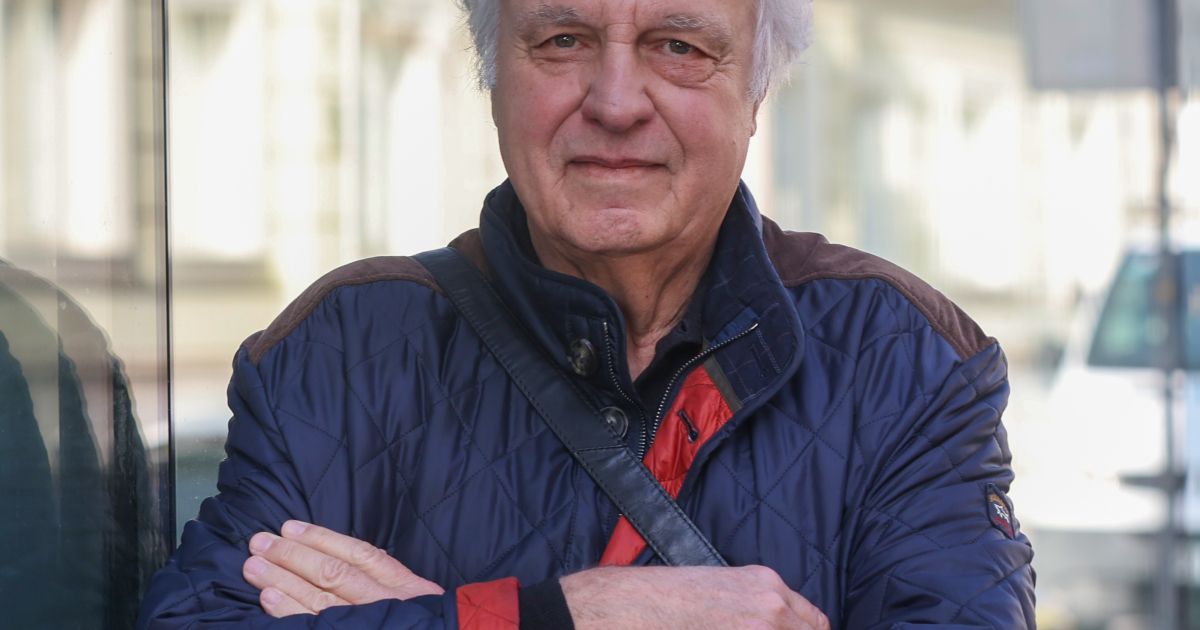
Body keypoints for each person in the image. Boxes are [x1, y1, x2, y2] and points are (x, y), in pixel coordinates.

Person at [138, 0, 1036, 627]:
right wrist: (567, 616)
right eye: (562, 40)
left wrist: (434, 617)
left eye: (678, 47)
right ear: (493, 75)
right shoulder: (341, 350)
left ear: (757, 91)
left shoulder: (903, 360)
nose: (614, 102)